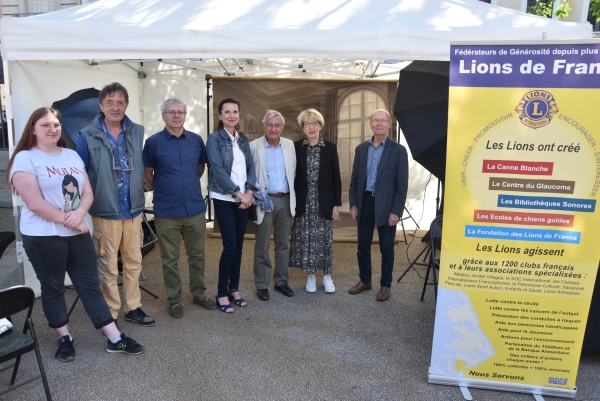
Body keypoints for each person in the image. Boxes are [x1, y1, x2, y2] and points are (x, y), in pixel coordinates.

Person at [7, 107, 143, 361]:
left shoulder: (70, 155)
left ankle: (114, 337)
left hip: (76, 232)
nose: (52, 129)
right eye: (45, 125)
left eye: (56, 125)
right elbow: (34, 203)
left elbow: (87, 192)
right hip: (43, 236)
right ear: (33, 129)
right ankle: (64, 338)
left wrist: (79, 214)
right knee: (53, 287)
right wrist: (72, 221)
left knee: (90, 286)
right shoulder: (25, 158)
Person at [76, 82, 155, 327]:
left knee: (133, 262)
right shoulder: (86, 135)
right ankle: (109, 314)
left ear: (126, 105)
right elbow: (79, 174)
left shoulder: (137, 131)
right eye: (109, 102)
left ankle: (133, 308)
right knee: (108, 266)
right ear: (101, 105)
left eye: (120, 102)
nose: (115, 107)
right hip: (105, 211)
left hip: (132, 209)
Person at [143, 96, 216, 318]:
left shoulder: (196, 140)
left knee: (198, 256)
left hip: (194, 208)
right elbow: (148, 175)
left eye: (180, 112)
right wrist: (166, 191)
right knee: (169, 259)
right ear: (163, 116)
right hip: (166, 211)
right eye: (171, 112)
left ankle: (199, 293)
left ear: (185, 115)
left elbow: (200, 168)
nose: (176, 116)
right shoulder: (153, 142)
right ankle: (174, 299)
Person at [348, 109, 409, 302]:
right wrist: (354, 204)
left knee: (386, 247)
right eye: (376, 120)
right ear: (370, 124)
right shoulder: (361, 149)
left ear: (389, 124)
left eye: (383, 121)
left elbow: (402, 184)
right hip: (365, 202)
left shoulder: (398, 151)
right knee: (362, 246)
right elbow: (355, 179)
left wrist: (396, 211)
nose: (379, 124)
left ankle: (385, 285)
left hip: (387, 205)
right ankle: (365, 280)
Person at [207, 98, 258, 313]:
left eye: (235, 112)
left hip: (243, 200)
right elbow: (217, 171)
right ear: (219, 116)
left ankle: (234, 289)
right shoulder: (214, 139)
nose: (231, 115)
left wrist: (249, 192)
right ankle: (221, 293)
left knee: (239, 246)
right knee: (229, 247)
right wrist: (238, 194)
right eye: (226, 112)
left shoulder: (243, 139)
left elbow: (250, 167)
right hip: (225, 199)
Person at [290, 108, 341, 293]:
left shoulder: (330, 147)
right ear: (303, 128)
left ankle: (327, 276)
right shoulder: (295, 147)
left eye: (314, 123)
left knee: (325, 239)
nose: (311, 127)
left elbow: (337, 178)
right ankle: (311, 276)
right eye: (307, 124)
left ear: (320, 125)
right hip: (303, 200)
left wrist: (336, 204)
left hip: (324, 201)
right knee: (308, 239)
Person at [249, 110, 296, 301]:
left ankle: (281, 281)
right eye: (270, 125)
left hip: (286, 200)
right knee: (262, 245)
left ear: (282, 127)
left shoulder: (290, 145)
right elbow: (249, 175)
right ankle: (261, 284)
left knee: (283, 245)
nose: (273, 128)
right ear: (263, 126)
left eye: (277, 125)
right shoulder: (253, 146)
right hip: (264, 201)